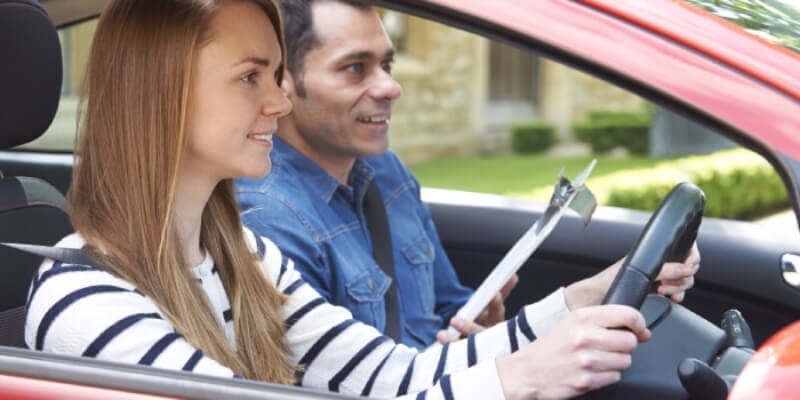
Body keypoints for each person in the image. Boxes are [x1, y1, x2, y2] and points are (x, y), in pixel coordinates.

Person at [24, 0, 699, 398]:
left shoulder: (242, 258)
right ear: (160, 95)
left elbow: (396, 379)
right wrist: (516, 378)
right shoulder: (87, 302)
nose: (279, 102)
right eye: (250, 77)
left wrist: (577, 303)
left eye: (278, 75)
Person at [235, 0, 700, 348]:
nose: (391, 87)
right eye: (355, 69)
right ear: (284, 84)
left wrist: (480, 327)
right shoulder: (268, 220)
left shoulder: (387, 173)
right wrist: (586, 297)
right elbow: (362, 382)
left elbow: (446, 311)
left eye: (387, 64)